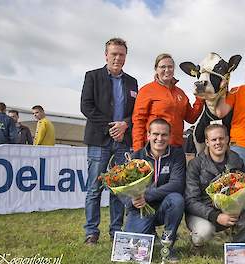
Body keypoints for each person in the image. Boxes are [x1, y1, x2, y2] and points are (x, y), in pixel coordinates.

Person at [80, 37, 138, 245]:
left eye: (121, 54)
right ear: (106, 55)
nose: (117, 58)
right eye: (113, 54)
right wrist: (111, 127)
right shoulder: (92, 76)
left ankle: (116, 231)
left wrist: (125, 125)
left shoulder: (132, 82)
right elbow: (86, 107)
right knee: (94, 188)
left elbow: (136, 112)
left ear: (125, 57)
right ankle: (91, 232)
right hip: (99, 140)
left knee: (119, 189)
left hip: (123, 142)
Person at [185, 124, 245, 251]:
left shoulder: (235, 159)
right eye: (214, 140)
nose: (218, 142)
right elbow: (190, 201)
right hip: (205, 213)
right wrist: (216, 216)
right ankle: (197, 244)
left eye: (221, 138)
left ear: (227, 139)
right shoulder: (196, 164)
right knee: (204, 232)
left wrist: (237, 205)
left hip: (231, 211)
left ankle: (239, 240)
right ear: (207, 142)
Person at [125, 119, 185, 263]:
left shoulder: (177, 155)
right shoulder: (137, 156)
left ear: (170, 136)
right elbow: (124, 188)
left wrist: (147, 195)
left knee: (177, 200)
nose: (160, 138)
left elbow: (177, 184)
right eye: (156, 134)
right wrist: (132, 201)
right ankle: (151, 233)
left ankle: (168, 244)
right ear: (148, 135)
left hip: (165, 206)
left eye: (164, 135)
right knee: (134, 250)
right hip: (141, 208)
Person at [132, 53, 204, 151]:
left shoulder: (180, 93)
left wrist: (200, 98)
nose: (167, 70)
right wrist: (138, 150)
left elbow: (191, 118)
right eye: (163, 67)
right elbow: (138, 122)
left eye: (170, 67)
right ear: (156, 69)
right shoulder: (146, 90)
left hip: (177, 148)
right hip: (154, 148)